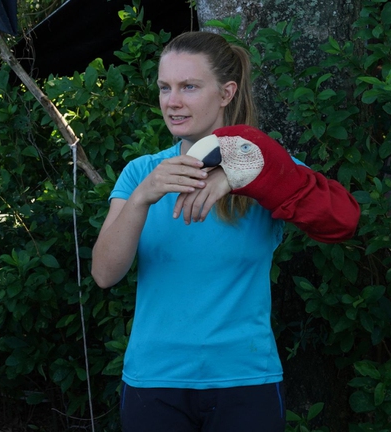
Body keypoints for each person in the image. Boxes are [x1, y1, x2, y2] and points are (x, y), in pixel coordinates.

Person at [91, 31, 359, 431]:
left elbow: (343, 220)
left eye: (190, 87)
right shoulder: (142, 172)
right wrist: (142, 197)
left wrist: (247, 174)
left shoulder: (267, 169)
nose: (172, 101)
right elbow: (104, 274)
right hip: (155, 380)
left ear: (226, 92)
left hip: (245, 380)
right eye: (165, 87)